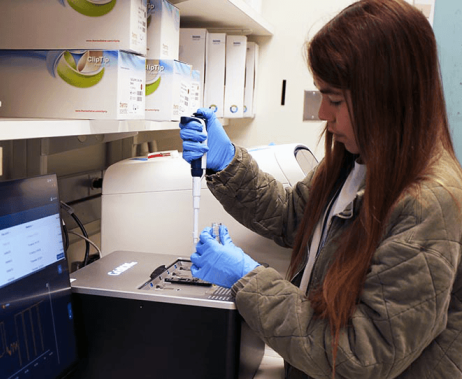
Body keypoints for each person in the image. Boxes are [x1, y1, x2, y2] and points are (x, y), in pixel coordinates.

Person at [179, 0, 462, 378]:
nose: (323, 115)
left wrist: (247, 278)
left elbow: (362, 353)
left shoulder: (431, 204)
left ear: (386, 97)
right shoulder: (359, 160)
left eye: (335, 100)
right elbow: (293, 217)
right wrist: (226, 161)